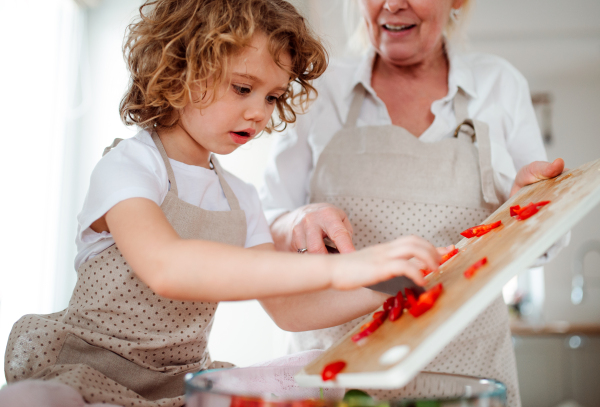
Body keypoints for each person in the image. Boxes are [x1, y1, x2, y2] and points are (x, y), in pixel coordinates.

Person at [1, 1, 445, 406]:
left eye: (272, 97)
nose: (259, 112)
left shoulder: (241, 198)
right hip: (87, 378)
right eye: (242, 88)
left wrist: (392, 284)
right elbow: (168, 268)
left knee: (309, 371)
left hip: (180, 385)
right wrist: (345, 266)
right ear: (179, 72)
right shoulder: (129, 166)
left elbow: (291, 310)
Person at [260, 0, 567, 406]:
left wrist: (526, 210)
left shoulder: (499, 85)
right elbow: (267, 223)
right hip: (337, 375)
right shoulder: (321, 87)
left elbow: (543, 242)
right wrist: (299, 218)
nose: (392, 3)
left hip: (466, 375)